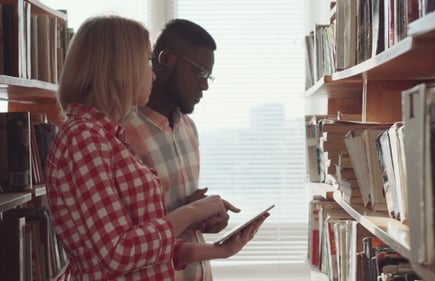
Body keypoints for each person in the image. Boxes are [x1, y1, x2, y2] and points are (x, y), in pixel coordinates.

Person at [45, 15, 268, 281]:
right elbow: (119, 253)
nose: (151, 72)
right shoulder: (83, 137)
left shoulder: (108, 135)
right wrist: (194, 211)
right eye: (145, 61)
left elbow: (147, 250)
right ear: (119, 67)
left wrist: (220, 251)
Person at [122, 18, 236, 281]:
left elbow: (178, 212)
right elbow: (119, 238)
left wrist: (205, 216)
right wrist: (189, 213)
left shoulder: (189, 128)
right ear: (166, 59)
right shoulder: (120, 131)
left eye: (209, 75)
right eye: (200, 72)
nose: (205, 85)